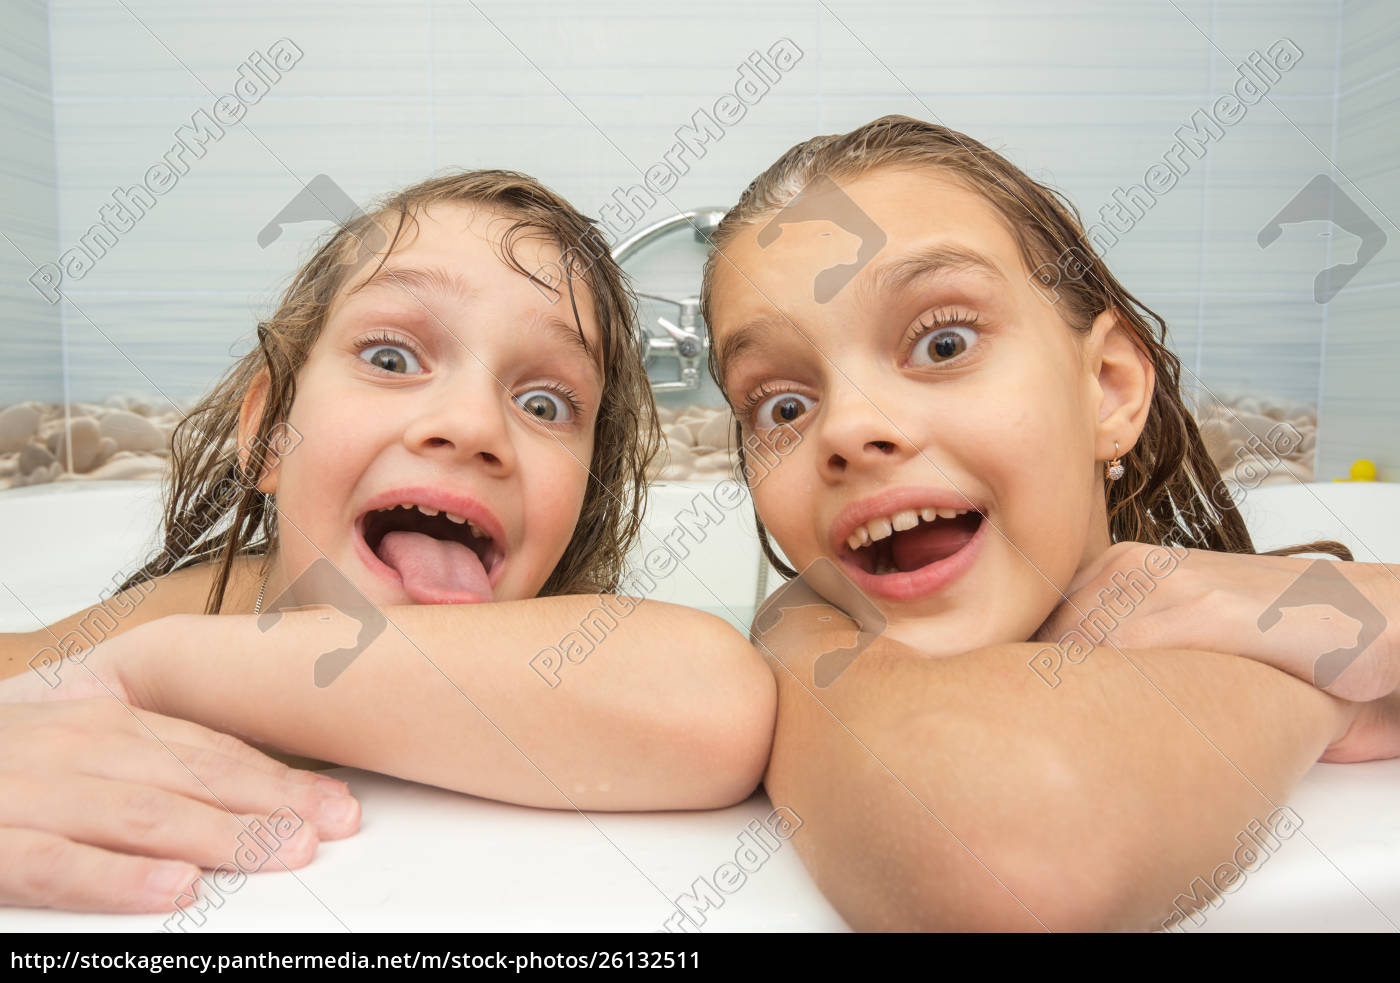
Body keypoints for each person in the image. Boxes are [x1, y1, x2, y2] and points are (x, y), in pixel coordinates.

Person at [0, 169, 774, 913]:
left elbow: (714, 698)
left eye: (543, 402)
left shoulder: (574, 647)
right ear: (270, 434)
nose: (473, 426)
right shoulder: (209, 602)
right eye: (392, 358)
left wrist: (161, 669)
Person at [699, 115, 1400, 931]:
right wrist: (1333, 689)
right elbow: (1011, 857)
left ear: (1106, 385)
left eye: (943, 342)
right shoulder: (806, 630)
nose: (848, 428)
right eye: (782, 405)